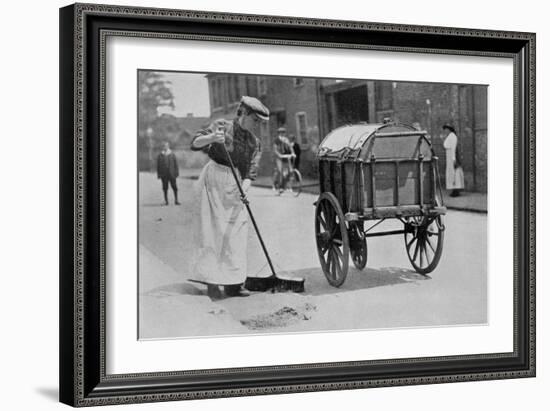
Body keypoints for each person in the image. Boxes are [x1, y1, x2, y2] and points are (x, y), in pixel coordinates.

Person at [189, 96, 269, 299]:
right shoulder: (222, 126)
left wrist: (244, 189)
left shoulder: (254, 143)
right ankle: (212, 281)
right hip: (213, 179)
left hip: (236, 183)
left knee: (236, 233)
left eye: (260, 123)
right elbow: (195, 143)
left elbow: (251, 172)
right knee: (213, 231)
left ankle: (234, 283)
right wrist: (212, 139)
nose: (257, 126)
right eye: (255, 121)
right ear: (244, 114)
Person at [441, 124, 465, 197]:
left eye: (446, 129)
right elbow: (445, 145)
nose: (445, 131)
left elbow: (453, 148)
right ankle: (454, 190)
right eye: (444, 129)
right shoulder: (449, 136)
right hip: (449, 157)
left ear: (449, 129)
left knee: (455, 174)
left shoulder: (452, 136)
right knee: (451, 174)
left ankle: (456, 190)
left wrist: (454, 159)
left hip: (452, 157)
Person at [156, 141, 180, 205]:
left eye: (166, 146)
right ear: (162, 147)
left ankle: (176, 200)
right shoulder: (160, 155)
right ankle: (166, 201)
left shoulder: (172, 154)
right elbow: (158, 166)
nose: (165, 147)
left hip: (172, 174)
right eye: (164, 146)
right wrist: (159, 175)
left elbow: (176, 164)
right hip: (164, 175)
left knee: (174, 187)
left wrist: (176, 173)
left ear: (168, 146)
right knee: (165, 188)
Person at [272, 127, 295, 193]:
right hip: (279, 158)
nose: (282, 134)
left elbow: (290, 147)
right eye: (281, 132)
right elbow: (275, 149)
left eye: (283, 132)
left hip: (285, 157)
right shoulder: (276, 140)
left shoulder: (286, 140)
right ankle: (279, 186)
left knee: (289, 171)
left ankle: (286, 186)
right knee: (280, 171)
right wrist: (279, 155)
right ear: (278, 133)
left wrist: (293, 153)